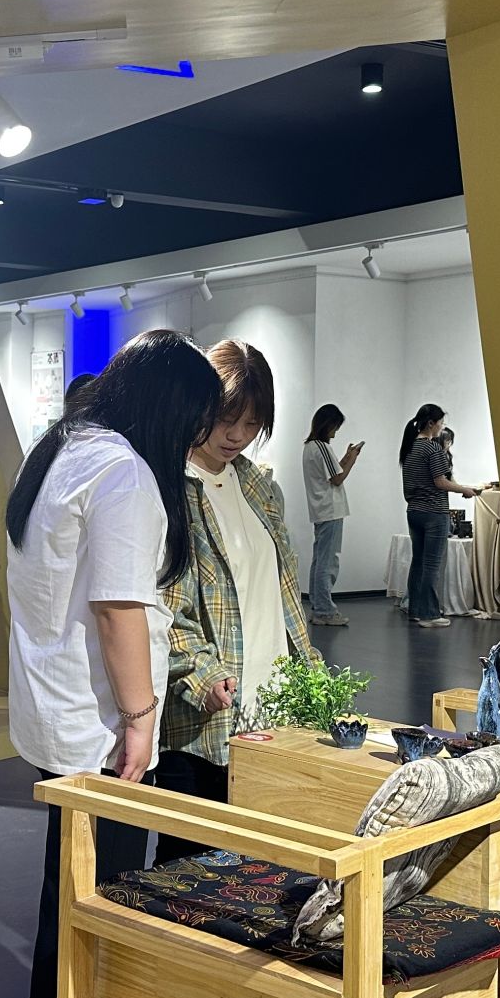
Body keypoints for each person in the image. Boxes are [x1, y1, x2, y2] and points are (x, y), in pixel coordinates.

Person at [7, 330, 223, 998]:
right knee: (101, 902)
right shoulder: (123, 471)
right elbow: (119, 607)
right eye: (195, 422)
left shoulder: (60, 450)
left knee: (68, 894)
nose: (196, 439)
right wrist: (141, 717)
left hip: (57, 713)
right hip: (101, 730)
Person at [158, 340, 323, 863]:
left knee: (264, 866)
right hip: (204, 721)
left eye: (252, 423)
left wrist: (311, 673)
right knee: (189, 869)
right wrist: (201, 675)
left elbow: (283, 591)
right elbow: (162, 607)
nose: (237, 435)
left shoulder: (258, 486)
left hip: (271, 712)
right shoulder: (170, 488)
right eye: (226, 419)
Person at [399, 404, 484, 628]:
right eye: (441, 423)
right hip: (434, 512)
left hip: (414, 511)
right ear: (431, 423)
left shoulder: (409, 447)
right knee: (432, 565)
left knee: (418, 562)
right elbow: (440, 482)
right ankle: (429, 614)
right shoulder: (433, 449)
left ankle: (415, 610)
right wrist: (464, 490)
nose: (442, 427)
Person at [301, 404, 361, 627]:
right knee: (328, 562)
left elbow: (333, 471)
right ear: (328, 425)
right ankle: (324, 610)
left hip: (321, 510)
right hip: (330, 510)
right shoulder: (322, 447)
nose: (336, 431)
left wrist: (347, 456)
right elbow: (337, 479)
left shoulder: (310, 447)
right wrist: (352, 459)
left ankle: (318, 607)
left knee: (320, 560)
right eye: (335, 426)